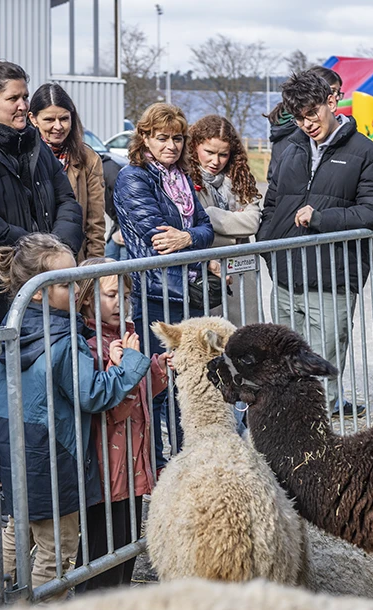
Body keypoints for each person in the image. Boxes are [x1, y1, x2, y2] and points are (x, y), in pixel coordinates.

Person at [0, 235, 151, 599]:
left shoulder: (13, 327)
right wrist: (131, 363)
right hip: (56, 458)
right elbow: (94, 394)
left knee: (19, 532)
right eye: (65, 284)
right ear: (37, 290)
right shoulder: (62, 339)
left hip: (17, 450)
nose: (77, 288)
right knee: (58, 550)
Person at [258, 70, 373, 418]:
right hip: (287, 277)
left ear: (332, 102)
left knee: (320, 366)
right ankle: (288, 435)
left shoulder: (369, 154)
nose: (307, 123)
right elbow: (273, 200)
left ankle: (318, 439)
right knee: (284, 364)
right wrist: (267, 245)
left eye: (313, 113)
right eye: (300, 117)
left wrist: (322, 218)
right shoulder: (289, 147)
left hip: (331, 280)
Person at [0, 58, 83, 406]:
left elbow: (67, 198)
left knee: (43, 388)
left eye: (25, 96)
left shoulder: (33, 143)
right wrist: (34, 253)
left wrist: (58, 251)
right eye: (14, 98)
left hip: (43, 284)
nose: (24, 105)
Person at [114, 102, 215, 472]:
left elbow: (206, 229)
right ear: (144, 138)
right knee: (155, 383)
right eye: (162, 138)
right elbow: (157, 235)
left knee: (185, 382)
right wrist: (191, 238)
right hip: (154, 292)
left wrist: (188, 238)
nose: (171, 146)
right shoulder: (133, 177)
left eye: (177, 138)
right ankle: (156, 466)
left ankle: (187, 461)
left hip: (186, 290)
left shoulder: (182, 177)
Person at [73, 258, 169, 592]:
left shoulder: (124, 336)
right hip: (108, 469)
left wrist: (156, 370)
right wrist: (127, 366)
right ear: (87, 298)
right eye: (112, 295)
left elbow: (140, 394)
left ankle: (114, 608)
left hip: (131, 465)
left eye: (124, 296)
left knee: (127, 542)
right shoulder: (88, 346)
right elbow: (112, 406)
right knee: (103, 549)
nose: (120, 303)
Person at [29, 83, 105, 262]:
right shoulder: (23, 156)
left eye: (64, 118)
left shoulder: (89, 159)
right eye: (49, 120)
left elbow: (96, 224)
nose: (58, 126)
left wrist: (95, 267)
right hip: (35, 262)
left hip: (75, 260)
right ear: (33, 119)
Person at [190, 114, 262, 246]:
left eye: (223, 155)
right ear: (195, 145)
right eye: (209, 152)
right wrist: (233, 236)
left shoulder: (240, 177)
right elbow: (189, 227)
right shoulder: (185, 178)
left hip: (240, 264)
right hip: (206, 263)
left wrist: (208, 214)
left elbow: (252, 223)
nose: (216, 161)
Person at [267, 66, 343, 181]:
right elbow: (278, 181)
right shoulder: (296, 133)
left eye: (338, 92)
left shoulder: (286, 125)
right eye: (332, 90)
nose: (336, 97)